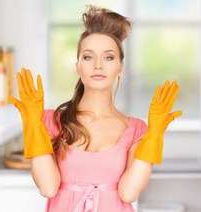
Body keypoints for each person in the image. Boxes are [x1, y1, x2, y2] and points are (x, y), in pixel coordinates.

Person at [9, 5, 182, 212]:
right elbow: (48, 187)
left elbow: (129, 192)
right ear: (78, 66)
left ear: (120, 67)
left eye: (108, 57)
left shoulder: (136, 129)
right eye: (88, 57)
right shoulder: (51, 121)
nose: (98, 65)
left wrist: (155, 135)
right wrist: (32, 123)